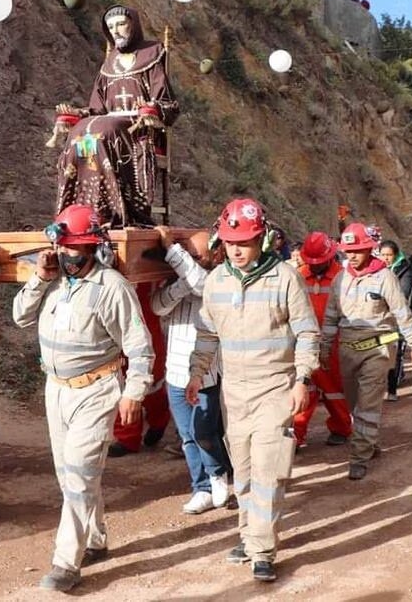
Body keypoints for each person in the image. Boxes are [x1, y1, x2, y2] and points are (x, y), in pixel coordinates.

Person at [13, 204, 155, 592]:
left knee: (79, 473)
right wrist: (40, 279)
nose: (65, 255)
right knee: (68, 474)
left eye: (73, 249)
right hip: (56, 390)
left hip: (97, 391)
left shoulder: (112, 288)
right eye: (62, 248)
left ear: (91, 248)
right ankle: (94, 538)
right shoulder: (54, 280)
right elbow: (20, 317)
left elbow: (140, 348)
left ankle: (66, 562)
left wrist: (134, 393)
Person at [187, 198, 319, 583]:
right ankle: (248, 535)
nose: (237, 250)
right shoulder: (216, 282)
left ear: (261, 238)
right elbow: (208, 334)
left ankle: (263, 549)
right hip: (235, 394)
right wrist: (197, 374)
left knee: (267, 472)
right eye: (230, 243)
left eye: (244, 242)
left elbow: (307, 333)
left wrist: (302, 379)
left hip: (275, 389)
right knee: (242, 473)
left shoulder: (286, 279)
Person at [52, 5, 179, 227]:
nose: (116, 31)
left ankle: (116, 211)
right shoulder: (109, 63)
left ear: (134, 25)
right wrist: (75, 115)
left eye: (121, 24)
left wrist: (150, 108)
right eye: (111, 27)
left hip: (140, 128)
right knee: (80, 131)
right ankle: (75, 210)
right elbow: (96, 109)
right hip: (109, 122)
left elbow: (168, 104)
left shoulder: (152, 54)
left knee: (105, 130)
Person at [322, 223, 412, 481]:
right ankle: (370, 441)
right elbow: (331, 318)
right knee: (355, 405)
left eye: (357, 250)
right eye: (348, 251)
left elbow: (402, 312)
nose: (352, 255)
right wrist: (323, 350)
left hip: (377, 349)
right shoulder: (340, 278)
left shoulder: (384, 276)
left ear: (369, 249)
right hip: (347, 349)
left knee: (368, 404)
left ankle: (359, 456)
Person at [151, 226, 231, 514]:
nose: (194, 260)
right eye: (190, 255)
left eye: (199, 255)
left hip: (205, 372)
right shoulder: (185, 279)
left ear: (215, 255)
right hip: (175, 373)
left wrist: (173, 251)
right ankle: (202, 489)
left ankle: (217, 474)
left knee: (205, 432)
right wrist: (181, 280)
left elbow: (202, 286)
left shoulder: (218, 280)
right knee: (187, 436)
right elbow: (158, 306)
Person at [292, 232, 352, 446]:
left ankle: (342, 428)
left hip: (333, 344)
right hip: (303, 343)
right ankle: (295, 436)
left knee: (335, 390)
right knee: (302, 389)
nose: (315, 266)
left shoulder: (343, 278)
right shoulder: (297, 276)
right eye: (311, 262)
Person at [109, 282, 171, 456]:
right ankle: (126, 437)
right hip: (113, 308)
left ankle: (159, 418)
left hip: (145, 308)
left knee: (152, 373)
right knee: (119, 372)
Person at [379, 240, 412, 402]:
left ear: (396, 255)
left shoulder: (404, 269)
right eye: (383, 255)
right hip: (377, 319)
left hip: (395, 320)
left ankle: (391, 389)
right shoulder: (374, 270)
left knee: (392, 352)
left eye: (389, 255)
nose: (386, 258)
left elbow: (403, 293)